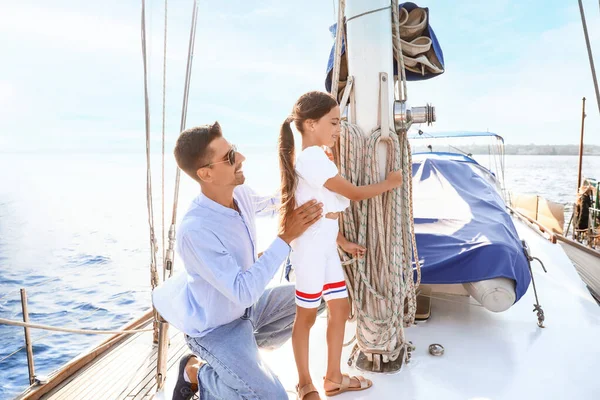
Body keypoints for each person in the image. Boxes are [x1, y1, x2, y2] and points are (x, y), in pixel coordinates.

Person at [151, 121, 325, 400]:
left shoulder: (239, 193)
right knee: (273, 398)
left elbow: (274, 203)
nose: (241, 159)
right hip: (216, 330)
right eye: (230, 157)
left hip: (248, 313)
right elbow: (243, 291)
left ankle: (237, 361)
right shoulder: (195, 230)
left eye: (236, 151)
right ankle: (199, 373)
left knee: (314, 298)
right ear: (206, 173)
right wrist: (285, 238)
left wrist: (311, 180)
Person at [278, 91, 403, 399]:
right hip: (310, 248)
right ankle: (304, 382)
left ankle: (333, 377)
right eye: (333, 122)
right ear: (310, 124)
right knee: (305, 316)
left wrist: (342, 241)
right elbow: (354, 193)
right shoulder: (311, 158)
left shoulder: (316, 157)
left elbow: (323, 208)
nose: (338, 129)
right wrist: (391, 183)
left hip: (324, 244)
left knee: (340, 307)